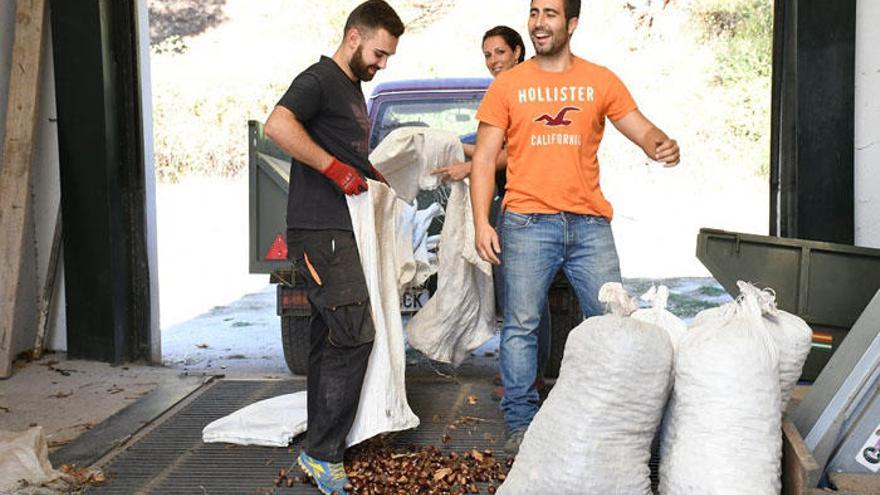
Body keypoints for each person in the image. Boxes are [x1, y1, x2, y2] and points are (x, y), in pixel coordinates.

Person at [470, 0, 681, 456]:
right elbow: (484, 158)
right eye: (534, 12)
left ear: (572, 24)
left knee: (614, 322)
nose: (538, 22)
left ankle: (617, 419)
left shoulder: (599, 80)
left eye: (549, 13)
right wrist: (481, 222)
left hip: (589, 226)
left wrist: (662, 145)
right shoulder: (509, 85)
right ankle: (522, 425)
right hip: (525, 222)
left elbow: (642, 130)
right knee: (521, 327)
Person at [263, 2, 404, 494]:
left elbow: (343, 150)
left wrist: (367, 172)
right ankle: (323, 453)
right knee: (355, 332)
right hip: (320, 230)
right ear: (352, 38)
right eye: (379, 53)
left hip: (340, 228)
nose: (382, 63)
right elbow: (277, 125)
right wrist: (332, 169)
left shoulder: (350, 90)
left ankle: (321, 448)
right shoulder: (319, 79)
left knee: (330, 337)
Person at [432, 26, 553, 400]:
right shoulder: (504, 90)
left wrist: (466, 167)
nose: (493, 61)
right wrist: (458, 148)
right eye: (487, 55)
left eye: (499, 52)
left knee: (525, 294)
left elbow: (513, 153)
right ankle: (522, 375)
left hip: (530, 205)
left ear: (518, 51)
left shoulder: (528, 87)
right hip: (514, 202)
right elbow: (490, 147)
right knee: (520, 294)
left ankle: (528, 379)